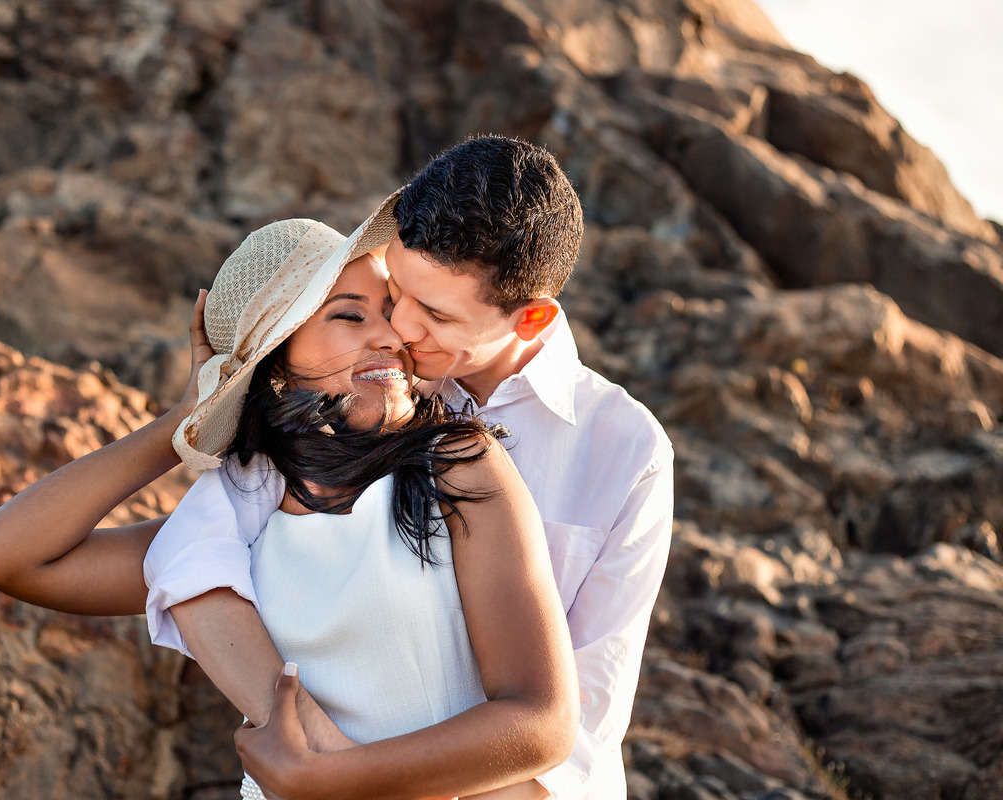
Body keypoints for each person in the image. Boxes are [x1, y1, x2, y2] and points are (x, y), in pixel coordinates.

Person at [0, 214, 579, 799]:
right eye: (349, 315)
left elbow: (542, 722)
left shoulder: (454, 463)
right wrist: (183, 423)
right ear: (278, 355)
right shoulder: (229, 529)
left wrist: (334, 780)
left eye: (392, 311)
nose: (393, 337)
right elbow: (8, 555)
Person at [147, 135, 675, 798]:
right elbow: (186, 560)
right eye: (398, 291)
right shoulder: (362, 398)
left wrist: (332, 779)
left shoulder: (625, 449)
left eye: (434, 313)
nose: (399, 327)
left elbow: (578, 729)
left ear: (532, 318)